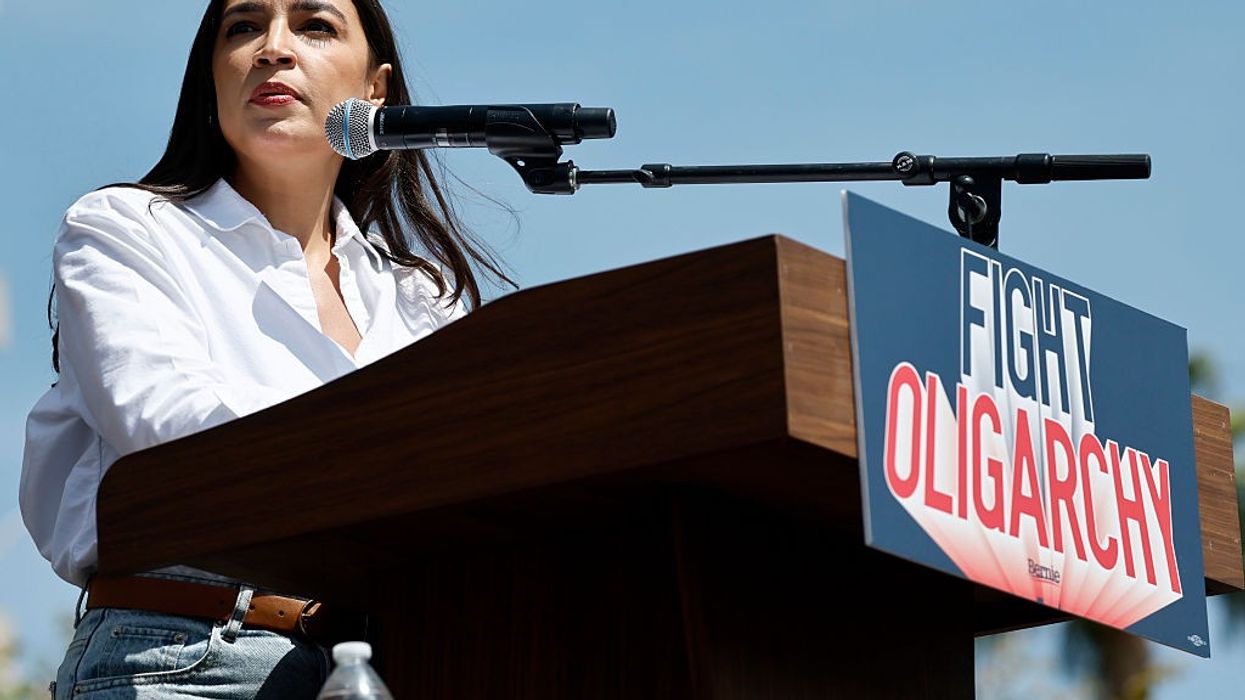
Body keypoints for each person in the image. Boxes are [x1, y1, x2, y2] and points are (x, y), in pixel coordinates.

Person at [19, 1, 512, 698]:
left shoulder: (421, 294)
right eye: (244, 27)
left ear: (375, 88)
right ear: (212, 77)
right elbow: (172, 427)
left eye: (315, 26)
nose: (273, 48)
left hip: (391, 660)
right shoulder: (126, 230)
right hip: (183, 654)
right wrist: (396, 463)